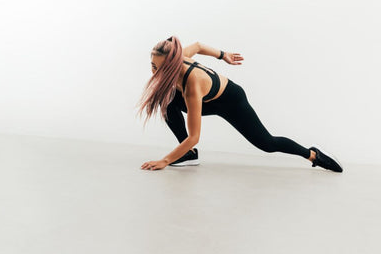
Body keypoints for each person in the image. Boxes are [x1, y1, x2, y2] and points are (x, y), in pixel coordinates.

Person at [136, 36, 343, 173]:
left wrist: (164, 161)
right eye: (152, 66)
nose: (154, 72)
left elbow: (194, 137)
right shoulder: (178, 58)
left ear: (172, 65)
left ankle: (313, 154)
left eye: (159, 69)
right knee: (166, 100)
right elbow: (198, 46)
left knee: (267, 144)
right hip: (208, 99)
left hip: (232, 101)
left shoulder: (192, 84)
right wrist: (222, 55)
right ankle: (188, 156)